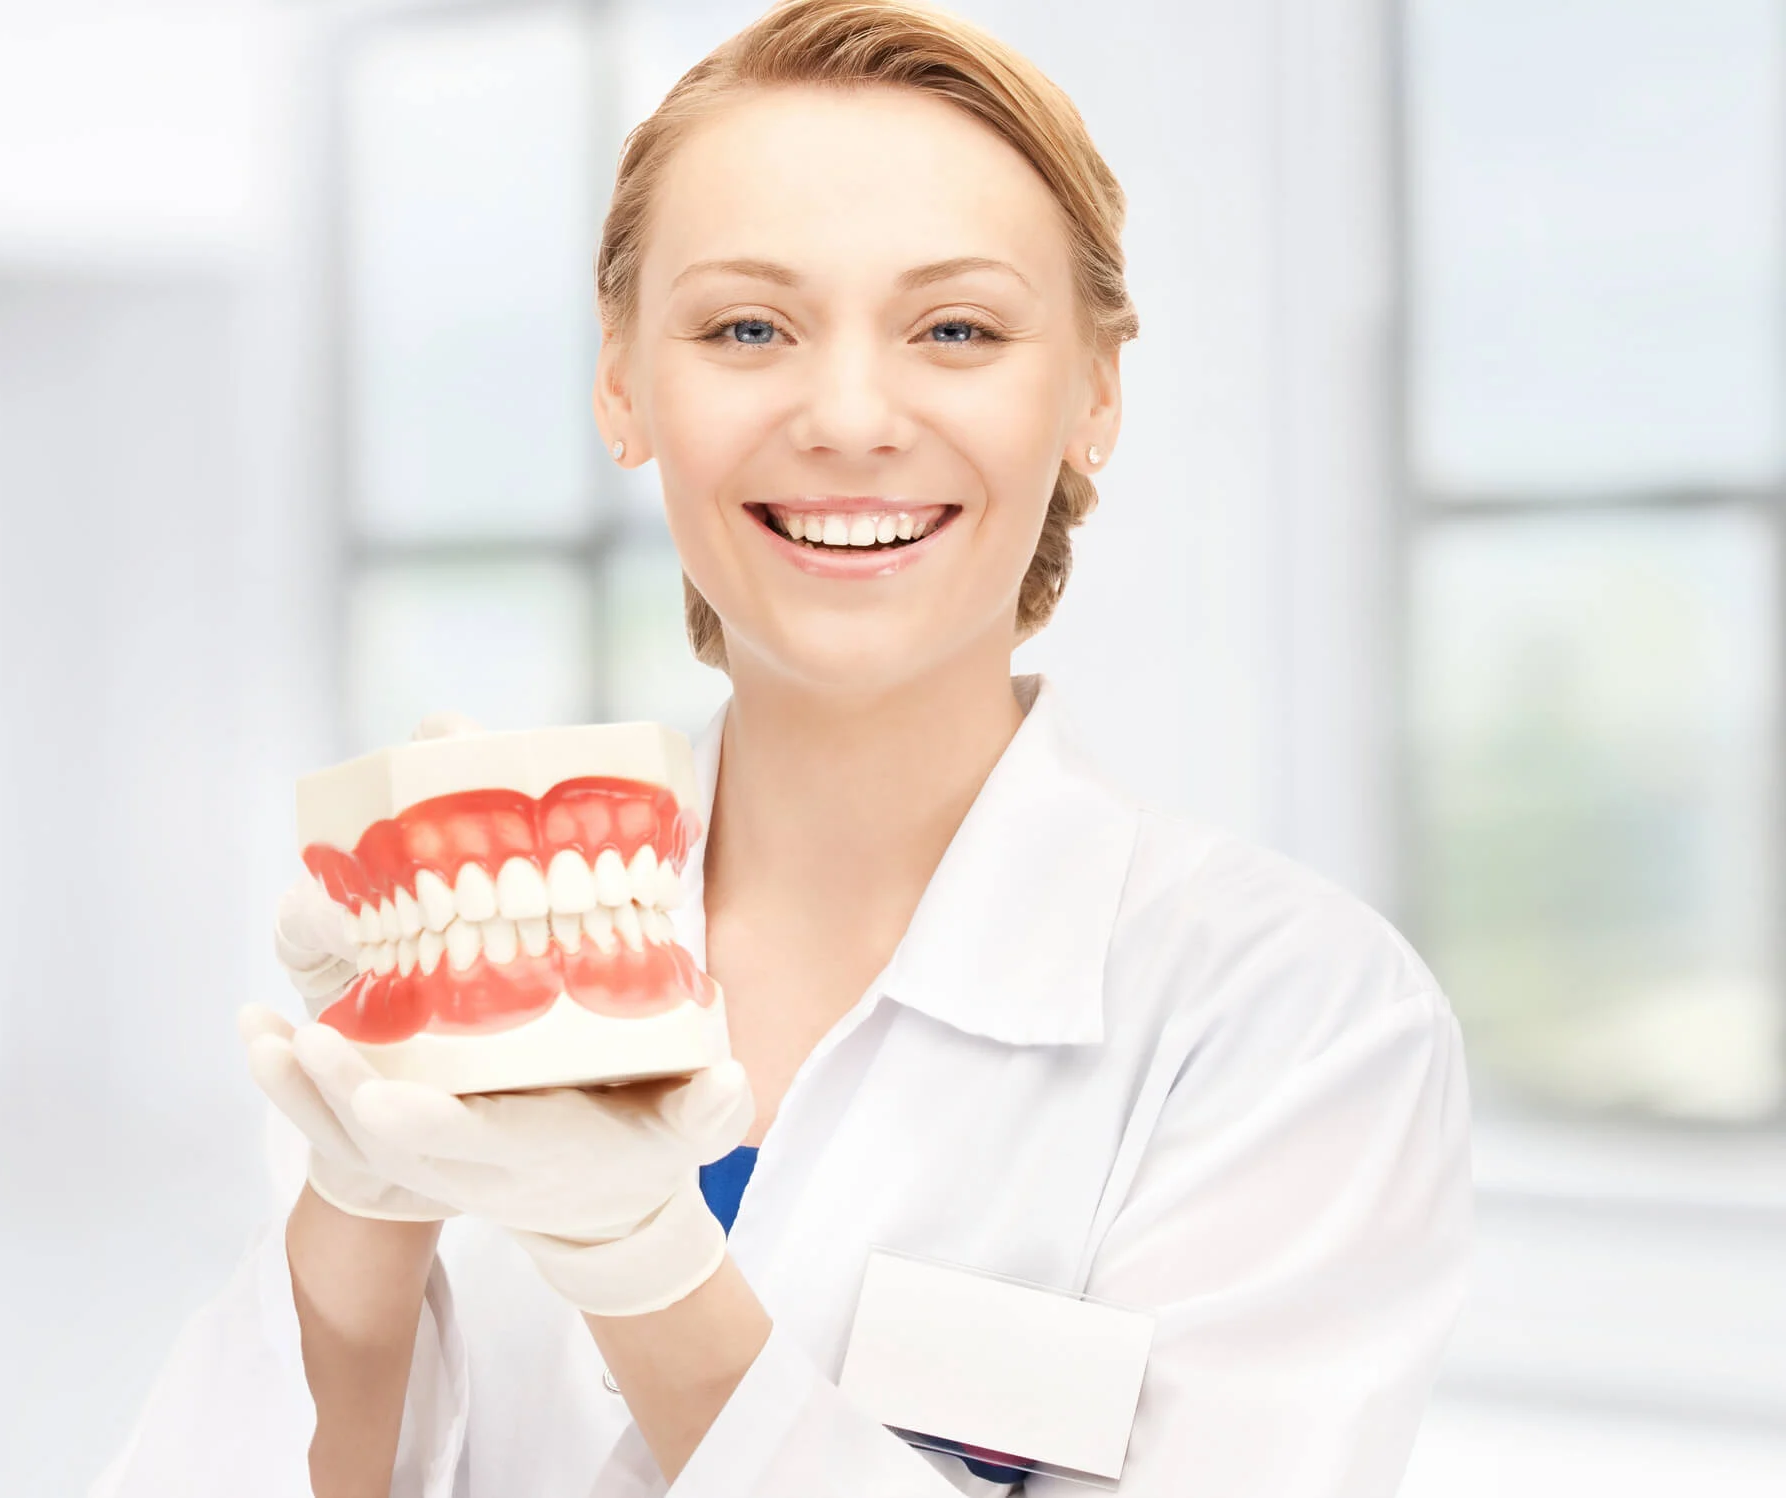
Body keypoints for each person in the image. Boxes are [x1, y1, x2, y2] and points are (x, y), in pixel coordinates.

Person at [92, 2, 1471, 1494]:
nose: (850, 416)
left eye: (957, 329)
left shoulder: (1293, 1025)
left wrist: (651, 1277)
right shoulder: (478, 934)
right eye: (748, 326)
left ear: (1093, 394)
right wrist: (360, 1215)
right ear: (623, 381)